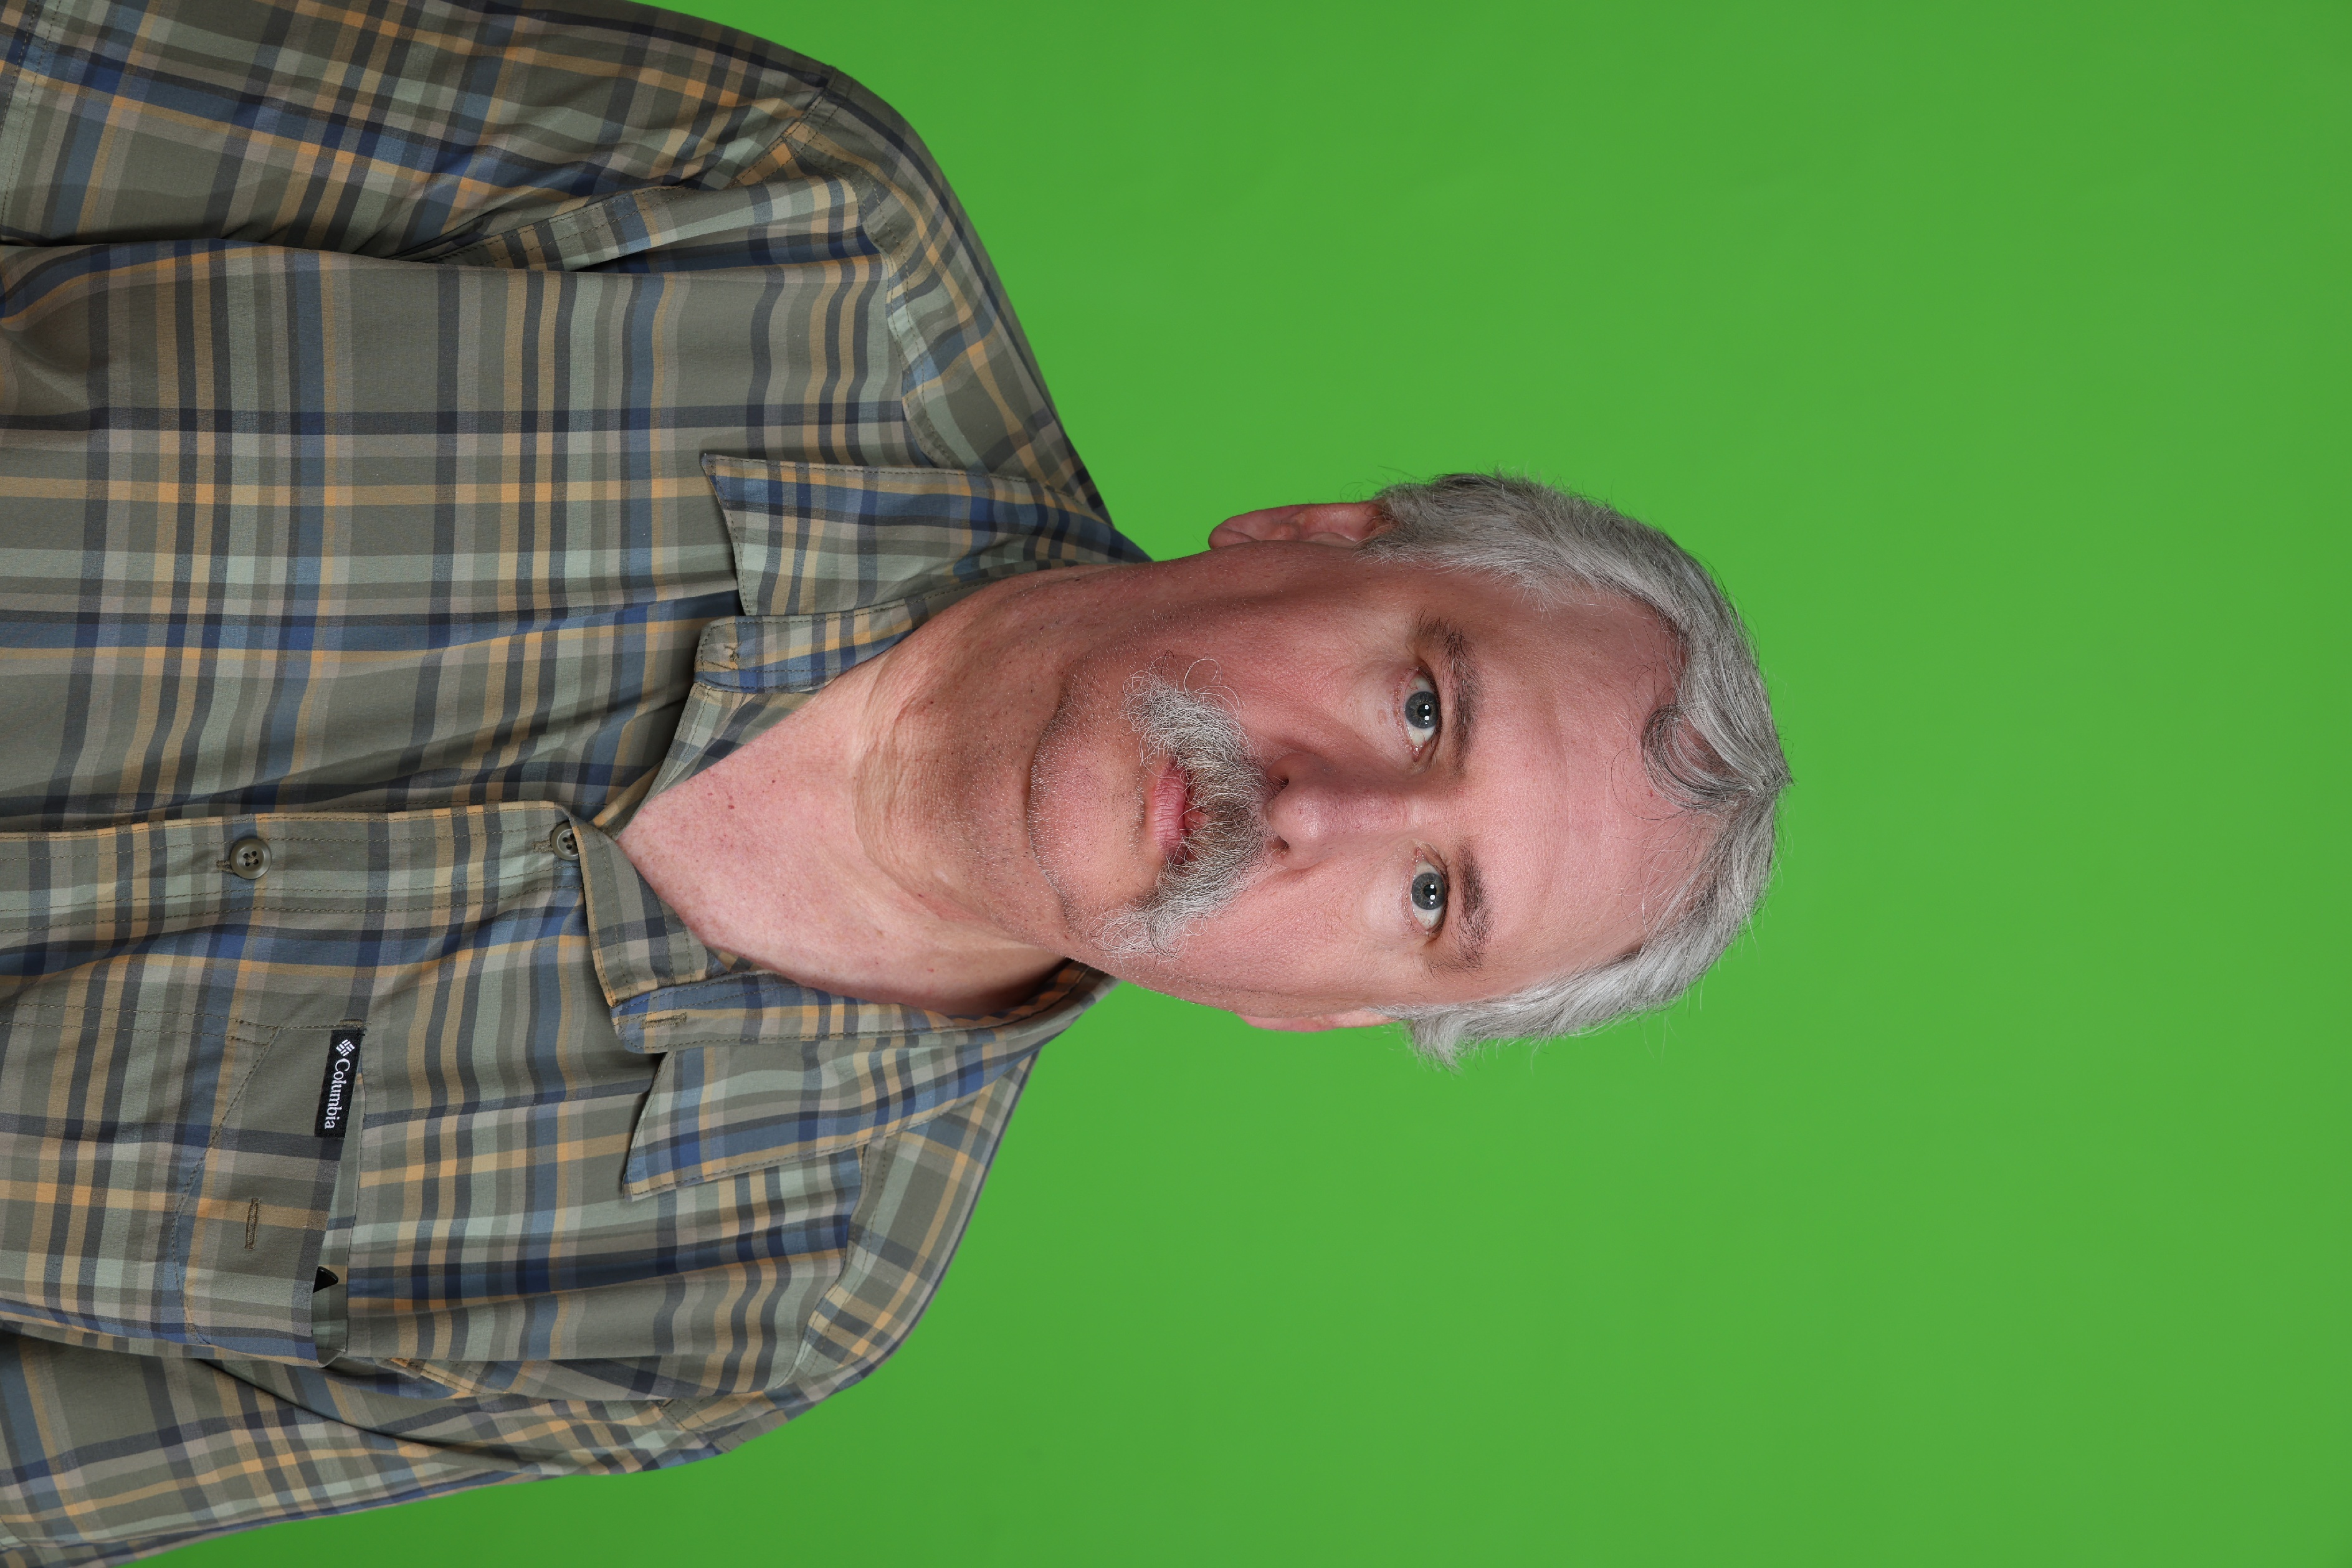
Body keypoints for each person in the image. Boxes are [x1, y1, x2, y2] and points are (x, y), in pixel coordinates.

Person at [0, 0, 1788, 1560]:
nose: (1329, 815)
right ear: (1308, 536)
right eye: (1422, 707)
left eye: (1433, 899)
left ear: (1310, 1013)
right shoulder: (779, 214)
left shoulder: (756, 1307)